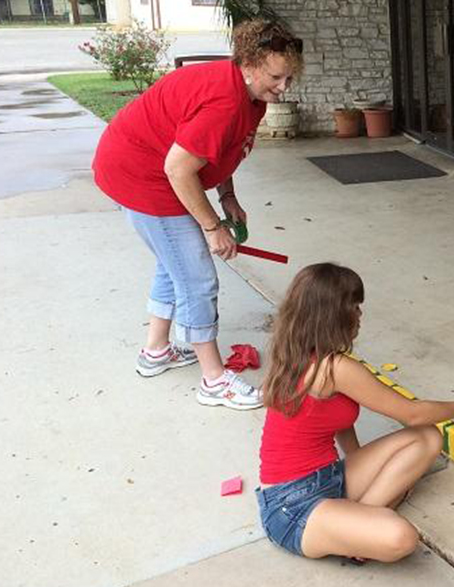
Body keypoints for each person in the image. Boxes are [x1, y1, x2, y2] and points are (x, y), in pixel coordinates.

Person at [91, 20, 305, 409]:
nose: (284, 86)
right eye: (276, 76)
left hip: (154, 170)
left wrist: (227, 197)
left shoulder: (252, 96)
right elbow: (178, 169)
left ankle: (156, 351)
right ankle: (214, 379)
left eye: (290, 77)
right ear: (249, 64)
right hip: (143, 175)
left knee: (173, 261)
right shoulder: (224, 102)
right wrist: (211, 228)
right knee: (197, 277)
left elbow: (226, 149)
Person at [256, 263, 454, 562]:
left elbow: (336, 420)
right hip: (291, 508)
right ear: (334, 315)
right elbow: (412, 413)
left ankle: (359, 525)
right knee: (401, 538)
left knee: (426, 438)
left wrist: (363, 467)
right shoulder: (335, 368)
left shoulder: (295, 352)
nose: (359, 315)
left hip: (327, 477)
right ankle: (361, 530)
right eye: (354, 307)